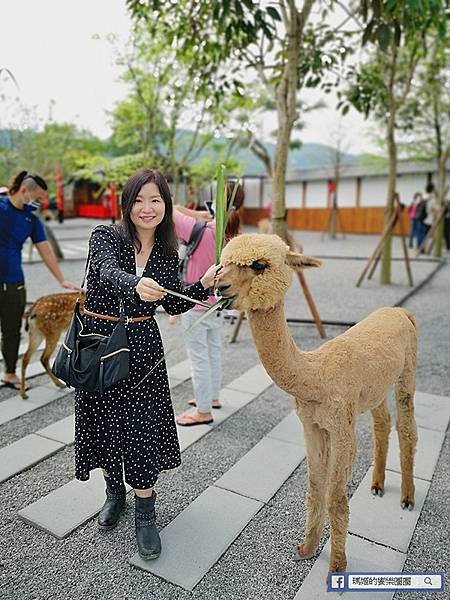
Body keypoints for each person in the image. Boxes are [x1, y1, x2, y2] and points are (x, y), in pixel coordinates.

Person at [74, 168, 220, 560]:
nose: (147, 208)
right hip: (100, 344)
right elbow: (105, 272)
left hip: (141, 350)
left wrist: (203, 283)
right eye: (139, 200)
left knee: (139, 430)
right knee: (103, 422)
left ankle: (145, 514)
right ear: (127, 204)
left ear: (166, 205)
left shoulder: (167, 251)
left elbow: (171, 302)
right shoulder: (104, 237)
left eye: (155, 200)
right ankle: (113, 494)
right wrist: (133, 283)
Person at [0, 171, 79, 390]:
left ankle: (9, 373)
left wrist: (61, 279)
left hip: (14, 282)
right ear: (25, 191)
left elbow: (45, 251)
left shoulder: (31, 220)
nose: (42, 203)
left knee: (11, 329)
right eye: (39, 198)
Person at [172, 185, 243, 427]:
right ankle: (211, 398)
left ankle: (203, 410)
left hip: (195, 303)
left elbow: (167, 210)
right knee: (213, 353)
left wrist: (191, 213)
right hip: (218, 303)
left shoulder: (199, 228)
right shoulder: (231, 232)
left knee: (198, 358)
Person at [417, 182, 437, 250]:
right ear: (432, 189)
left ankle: (419, 247)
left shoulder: (422, 196)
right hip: (428, 219)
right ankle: (423, 248)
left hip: (420, 217)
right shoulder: (432, 198)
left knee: (420, 233)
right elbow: (435, 209)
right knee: (425, 235)